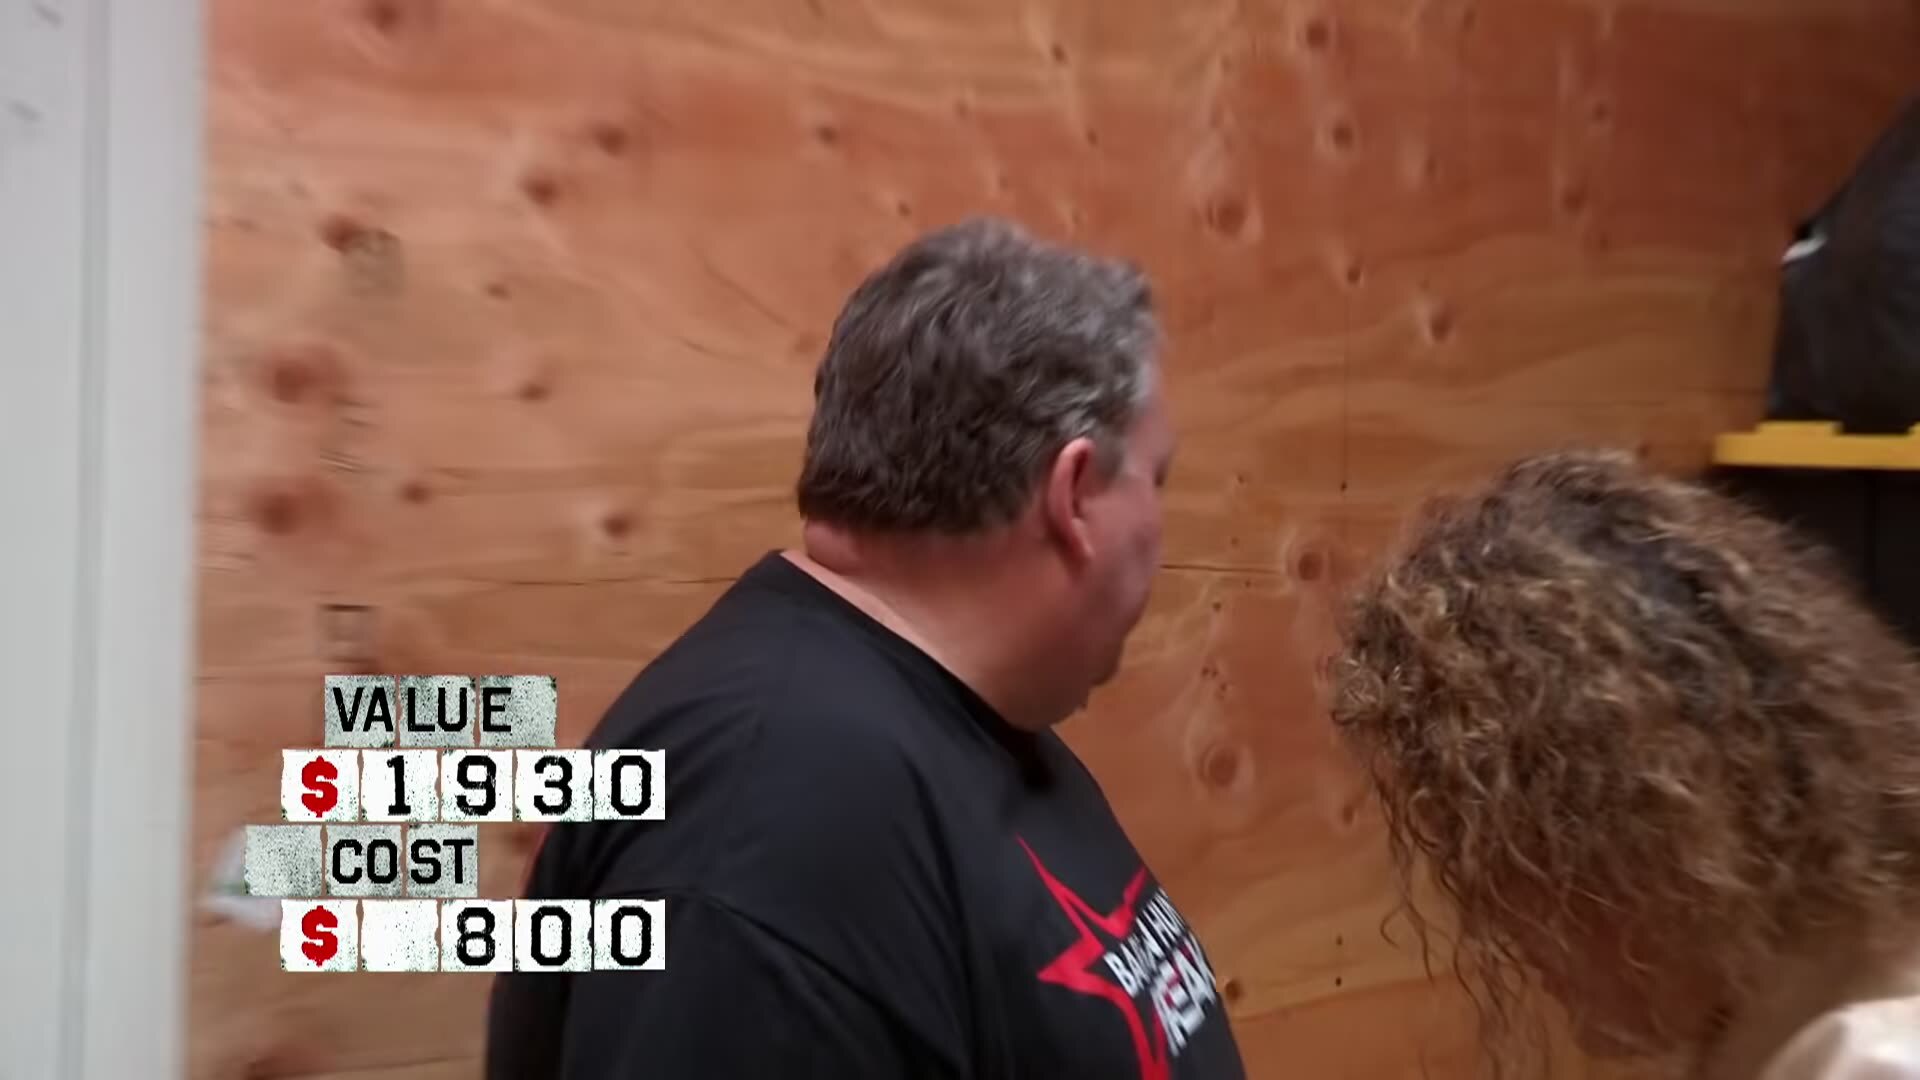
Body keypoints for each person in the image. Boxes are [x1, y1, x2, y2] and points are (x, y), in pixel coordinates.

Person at [485, 217, 1246, 1079]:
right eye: (1156, 478)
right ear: (1072, 495)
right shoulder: (776, 819)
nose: (1160, 521)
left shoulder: (943, 722)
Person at [1329, 449, 1920, 1079]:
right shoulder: (1805, 994)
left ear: (1646, 835)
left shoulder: (1867, 1062)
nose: (1510, 933)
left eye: (1517, 864)